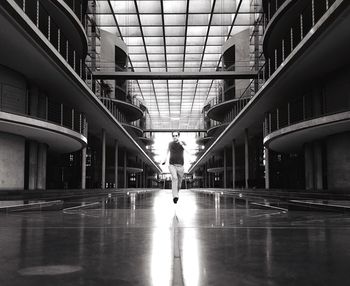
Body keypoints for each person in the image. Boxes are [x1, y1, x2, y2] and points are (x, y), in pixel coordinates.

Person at [162, 131, 188, 204]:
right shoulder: (170, 144)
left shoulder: (182, 143)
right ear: (172, 136)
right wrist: (164, 159)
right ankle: (175, 196)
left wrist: (182, 144)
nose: (174, 137)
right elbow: (167, 151)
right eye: (173, 136)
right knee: (174, 178)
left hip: (181, 166)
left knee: (179, 184)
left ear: (178, 136)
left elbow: (187, 151)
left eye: (176, 135)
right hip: (172, 165)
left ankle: (176, 193)